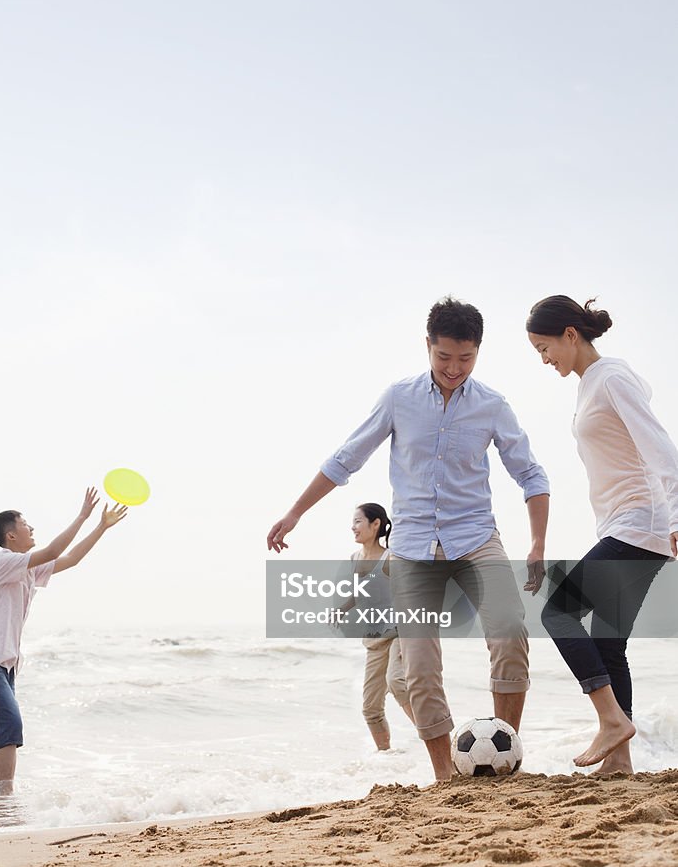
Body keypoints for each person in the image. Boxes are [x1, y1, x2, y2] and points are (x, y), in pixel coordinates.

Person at [268, 295, 550, 780]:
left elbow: (531, 474)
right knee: (418, 665)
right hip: (414, 548)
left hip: (476, 538)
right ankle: (446, 775)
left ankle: (502, 759)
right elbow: (345, 459)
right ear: (427, 346)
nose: (454, 368)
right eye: (444, 357)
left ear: (478, 351)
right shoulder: (399, 397)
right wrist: (296, 511)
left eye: (465, 358)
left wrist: (537, 543)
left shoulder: (492, 406)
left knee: (509, 629)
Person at [527, 295, 678, 773]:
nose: (544, 358)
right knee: (609, 641)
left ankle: (611, 721)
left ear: (571, 334)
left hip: (641, 521)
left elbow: (659, 447)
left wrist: (676, 517)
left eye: (544, 347)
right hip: (626, 523)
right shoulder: (591, 383)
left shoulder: (611, 377)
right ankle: (621, 762)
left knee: (558, 612)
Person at [0, 488, 128, 796]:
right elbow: (54, 550)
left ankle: (2, 799)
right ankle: (5, 801)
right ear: (11, 535)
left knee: (3, 731)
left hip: (7, 665)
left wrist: (101, 527)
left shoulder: (25, 567)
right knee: (10, 729)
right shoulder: (4, 561)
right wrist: (83, 515)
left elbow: (70, 559)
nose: (32, 529)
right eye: (26, 524)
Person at [339, 503, 414, 751]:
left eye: (358, 521)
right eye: (353, 522)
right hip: (373, 639)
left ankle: (438, 742)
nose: (353, 527)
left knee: (398, 683)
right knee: (370, 709)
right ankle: (387, 758)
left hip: (398, 633)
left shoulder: (390, 557)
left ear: (376, 524)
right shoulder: (354, 559)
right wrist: (342, 609)